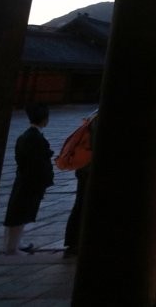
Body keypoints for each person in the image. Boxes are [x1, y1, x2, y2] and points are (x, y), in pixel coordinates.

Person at [3, 103, 54, 255]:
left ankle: (15, 243)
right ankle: (12, 247)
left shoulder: (25, 136)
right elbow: (39, 163)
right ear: (45, 120)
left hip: (23, 178)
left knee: (19, 212)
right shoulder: (35, 138)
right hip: (30, 181)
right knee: (20, 213)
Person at [63, 110, 98, 258]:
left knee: (81, 204)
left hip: (85, 168)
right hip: (91, 170)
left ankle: (75, 242)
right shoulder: (100, 119)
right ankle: (76, 242)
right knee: (83, 205)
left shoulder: (94, 117)